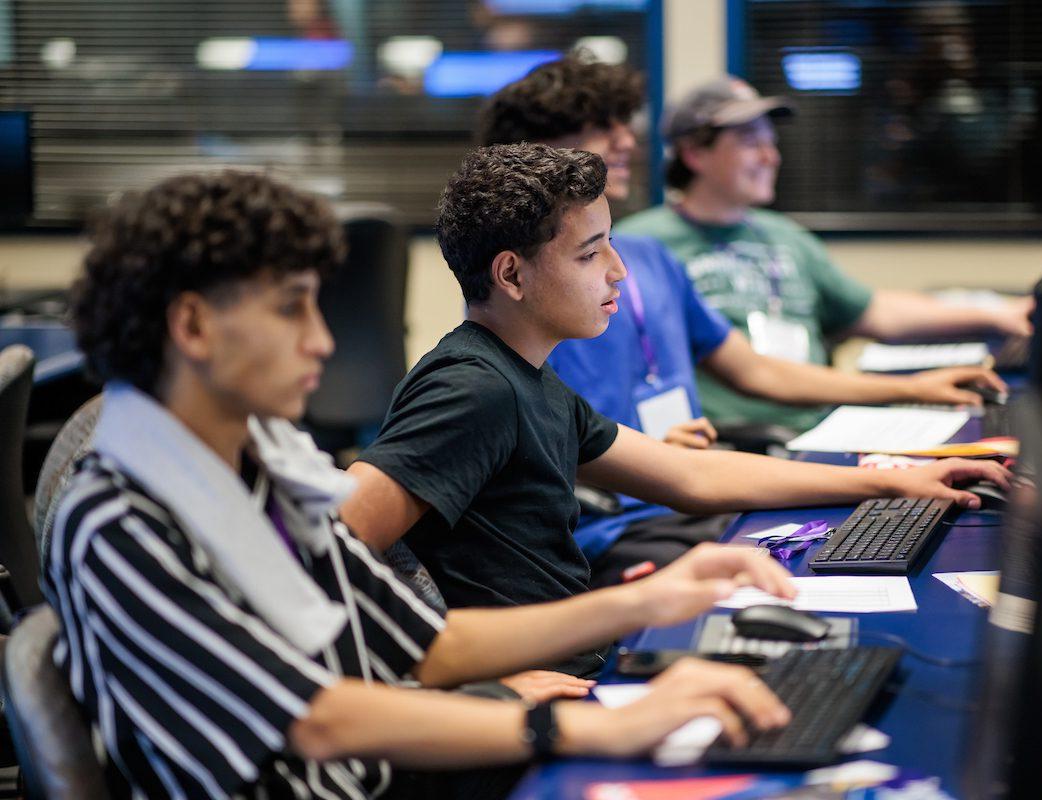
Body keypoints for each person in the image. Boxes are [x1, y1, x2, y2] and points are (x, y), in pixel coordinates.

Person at [49, 170, 803, 799]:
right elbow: (317, 721)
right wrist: (577, 725)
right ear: (193, 327)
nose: (322, 339)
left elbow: (424, 646)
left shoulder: (264, 466)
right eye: (291, 308)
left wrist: (649, 600)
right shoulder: (116, 522)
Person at [340, 143, 1011, 678]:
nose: (618, 272)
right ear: (512, 275)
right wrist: (475, 684)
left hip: (577, 662)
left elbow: (691, 477)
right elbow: (334, 550)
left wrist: (890, 480)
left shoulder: (527, 378)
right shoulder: (471, 389)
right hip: (527, 695)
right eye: (589, 252)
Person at [477, 57, 1009, 580]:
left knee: (856, 541)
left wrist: (912, 390)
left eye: (624, 125)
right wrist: (649, 452)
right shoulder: (533, 285)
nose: (625, 142)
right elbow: (542, 445)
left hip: (685, 494)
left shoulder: (648, 257)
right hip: (617, 521)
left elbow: (754, 371)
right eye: (599, 129)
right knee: (796, 578)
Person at [616, 75, 1034, 433]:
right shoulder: (643, 247)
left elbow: (875, 311)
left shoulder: (785, 236)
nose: (771, 156)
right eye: (749, 142)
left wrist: (996, 313)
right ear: (694, 153)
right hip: (739, 441)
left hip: (825, 425)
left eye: (771, 141)